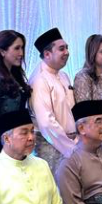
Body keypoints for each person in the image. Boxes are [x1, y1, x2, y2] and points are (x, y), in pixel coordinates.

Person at [29, 27, 77, 174]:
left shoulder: (63, 76)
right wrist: (70, 148)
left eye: (67, 48)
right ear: (47, 54)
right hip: (52, 146)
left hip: (71, 143)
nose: (67, 52)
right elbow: (46, 123)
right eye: (62, 49)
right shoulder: (39, 80)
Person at [0, 30, 31, 164]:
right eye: (16, 48)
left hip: (16, 144)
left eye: (22, 48)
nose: (21, 53)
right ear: (2, 52)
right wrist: (6, 148)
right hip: (2, 149)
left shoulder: (15, 75)